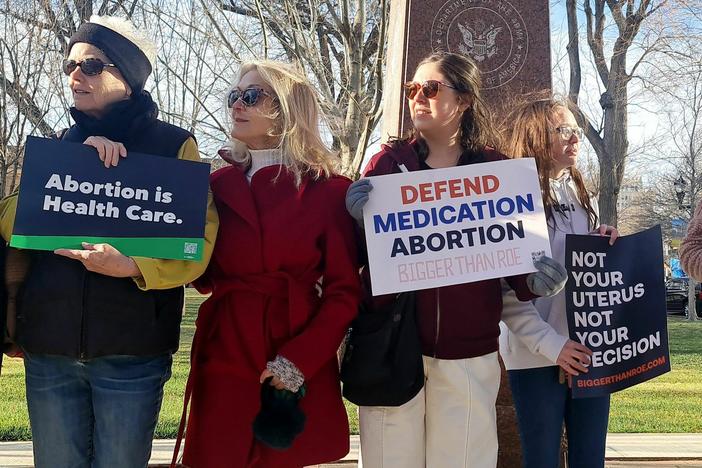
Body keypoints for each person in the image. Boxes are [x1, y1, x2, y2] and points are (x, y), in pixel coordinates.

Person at [0, 15, 218, 468]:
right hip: (51, 349)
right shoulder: (57, 144)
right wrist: (68, 168)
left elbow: (197, 243)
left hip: (132, 353)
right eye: (70, 65)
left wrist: (135, 266)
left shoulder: (175, 145)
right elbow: (8, 224)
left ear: (129, 77)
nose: (75, 75)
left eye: (92, 65)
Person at [345, 51, 569, 468]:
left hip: (468, 356)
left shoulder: (497, 171)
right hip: (392, 348)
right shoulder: (385, 166)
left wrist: (538, 281)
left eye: (430, 88)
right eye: (412, 89)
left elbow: (518, 267)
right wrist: (356, 223)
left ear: (464, 100)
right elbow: (357, 259)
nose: (418, 97)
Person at [177, 60, 360, 468]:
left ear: (287, 109)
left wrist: (299, 359)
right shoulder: (214, 185)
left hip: (291, 345)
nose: (236, 105)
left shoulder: (328, 190)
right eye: (233, 96)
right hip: (225, 346)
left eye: (251, 96)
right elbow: (200, 276)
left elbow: (344, 291)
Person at [499, 94, 619, 468]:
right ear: (535, 136)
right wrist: (555, 348)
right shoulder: (510, 199)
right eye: (564, 129)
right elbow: (506, 294)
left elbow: (578, 273)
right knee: (542, 460)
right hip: (535, 357)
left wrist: (599, 243)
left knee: (590, 460)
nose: (576, 138)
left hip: (588, 350)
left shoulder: (578, 190)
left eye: (577, 129)